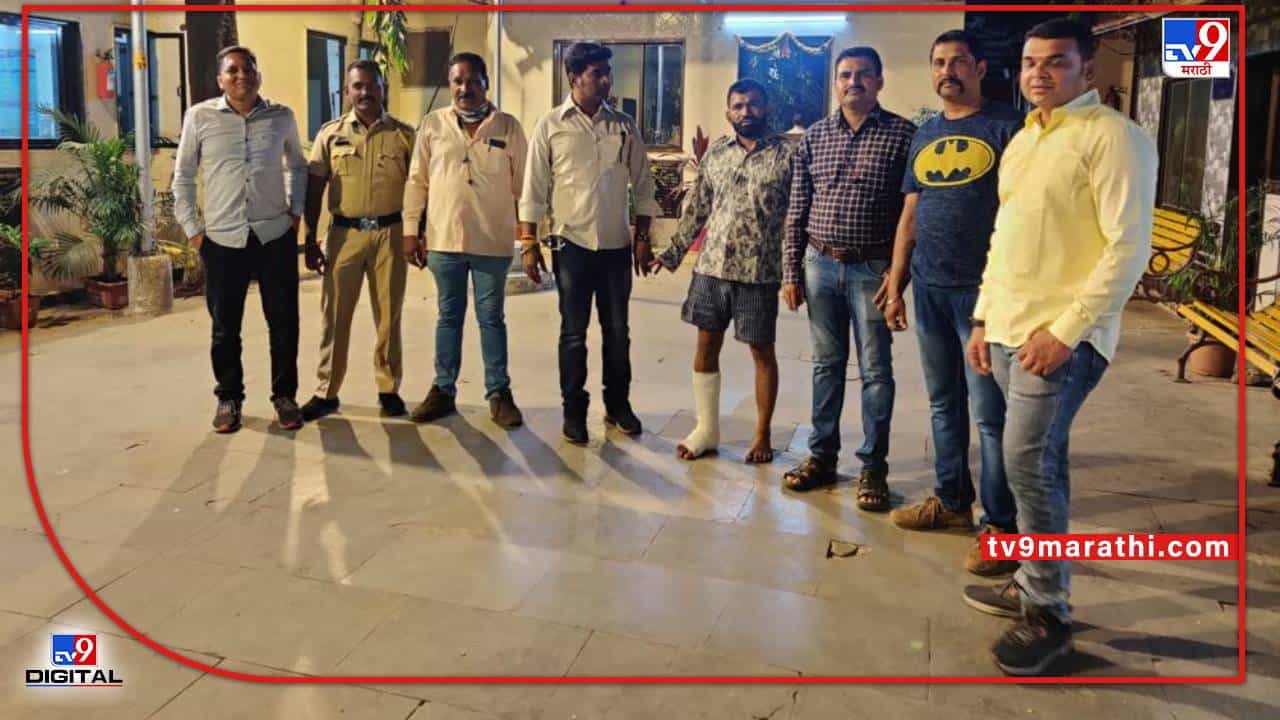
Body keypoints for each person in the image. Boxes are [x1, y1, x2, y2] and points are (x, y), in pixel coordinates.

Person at [960, 18, 1156, 676]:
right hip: (1009, 328)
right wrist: (984, 318)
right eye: (1029, 62)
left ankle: (1049, 612)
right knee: (1041, 462)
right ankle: (1033, 580)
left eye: (1055, 62)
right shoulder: (1024, 140)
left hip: (1063, 339)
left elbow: (1128, 248)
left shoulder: (1114, 138)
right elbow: (1006, 239)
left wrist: (1067, 331)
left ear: (1087, 68)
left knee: (1025, 461)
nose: (1038, 73)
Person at [880, 30, 1022, 578]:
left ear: (979, 68)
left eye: (958, 62)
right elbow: (910, 213)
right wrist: (897, 281)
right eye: (939, 62)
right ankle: (952, 502)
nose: (947, 71)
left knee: (990, 415)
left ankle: (1001, 528)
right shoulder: (926, 133)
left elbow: (1022, 213)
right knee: (943, 403)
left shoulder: (1009, 128)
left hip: (985, 295)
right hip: (930, 288)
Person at [780, 46, 916, 510]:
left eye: (862, 74)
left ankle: (873, 468)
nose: (853, 82)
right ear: (835, 83)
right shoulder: (815, 137)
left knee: (876, 371)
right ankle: (822, 457)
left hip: (872, 271)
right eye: (845, 75)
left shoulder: (903, 136)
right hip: (819, 265)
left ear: (879, 81)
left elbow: (912, 214)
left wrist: (898, 277)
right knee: (826, 365)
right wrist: (791, 272)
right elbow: (797, 208)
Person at [518, 41, 659, 445]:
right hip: (571, 246)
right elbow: (533, 188)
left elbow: (643, 185)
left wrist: (642, 237)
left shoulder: (624, 126)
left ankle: (618, 405)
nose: (606, 80)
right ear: (574, 77)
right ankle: (573, 412)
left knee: (617, 331)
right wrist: (528, 242)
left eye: (607, 73)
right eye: (597, 73)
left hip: (615, 248)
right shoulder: (550, 125)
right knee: (573, 334)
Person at [649, 78, 793, 465]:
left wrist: (795, 272)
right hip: (711, 269)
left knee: (762, 352)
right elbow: (698, 208)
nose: (746, 112)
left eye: (754, 104)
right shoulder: (716, 154)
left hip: (759, 274)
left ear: (766, 108)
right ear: (728, 112)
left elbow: (797, 216)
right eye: (738, 105)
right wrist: (673, 253)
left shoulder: (786, 156)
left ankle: (762, 433)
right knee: (706, 346)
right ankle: (707, 429)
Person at [172, 46, 307, 433]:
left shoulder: (282, 117)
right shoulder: (199, 117)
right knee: (224, 327)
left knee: (284, 323)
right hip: (221, 240)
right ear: (220, 79)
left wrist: (295, 212)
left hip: (274, 236)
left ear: (259, 75)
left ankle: (285, 397)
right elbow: (183, 176)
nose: (242, 76)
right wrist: (193, 230)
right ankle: (229, 398)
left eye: (249, 69)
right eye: (232, 70)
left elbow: (297, 165)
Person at [402, 53, 528, 429]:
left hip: (492, 241)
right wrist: (410, 230)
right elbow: (416, 181)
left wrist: (529, 236)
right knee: (448, 317)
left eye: (473, 80)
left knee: (491, 319)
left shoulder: (508, 127)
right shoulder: (432, 125)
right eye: (457, 81)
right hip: (444, 240)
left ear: (485, 82)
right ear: (450, 84)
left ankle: (499, 393)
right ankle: (443, 390)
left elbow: (524, 186)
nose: (464, 88)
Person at [299, 60, 415, 421]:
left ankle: (388, 388)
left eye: (372, 85)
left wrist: (417, 234)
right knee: (334, 315)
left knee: (389, 314)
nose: (365, 92)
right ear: (347, 92)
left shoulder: (404, 135)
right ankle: (326, 391)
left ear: (383, 88)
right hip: (343, 235)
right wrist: (310, 239)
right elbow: (314, 189)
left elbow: (418, 190)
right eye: (357, 86)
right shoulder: (330, 135)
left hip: (390, 234)